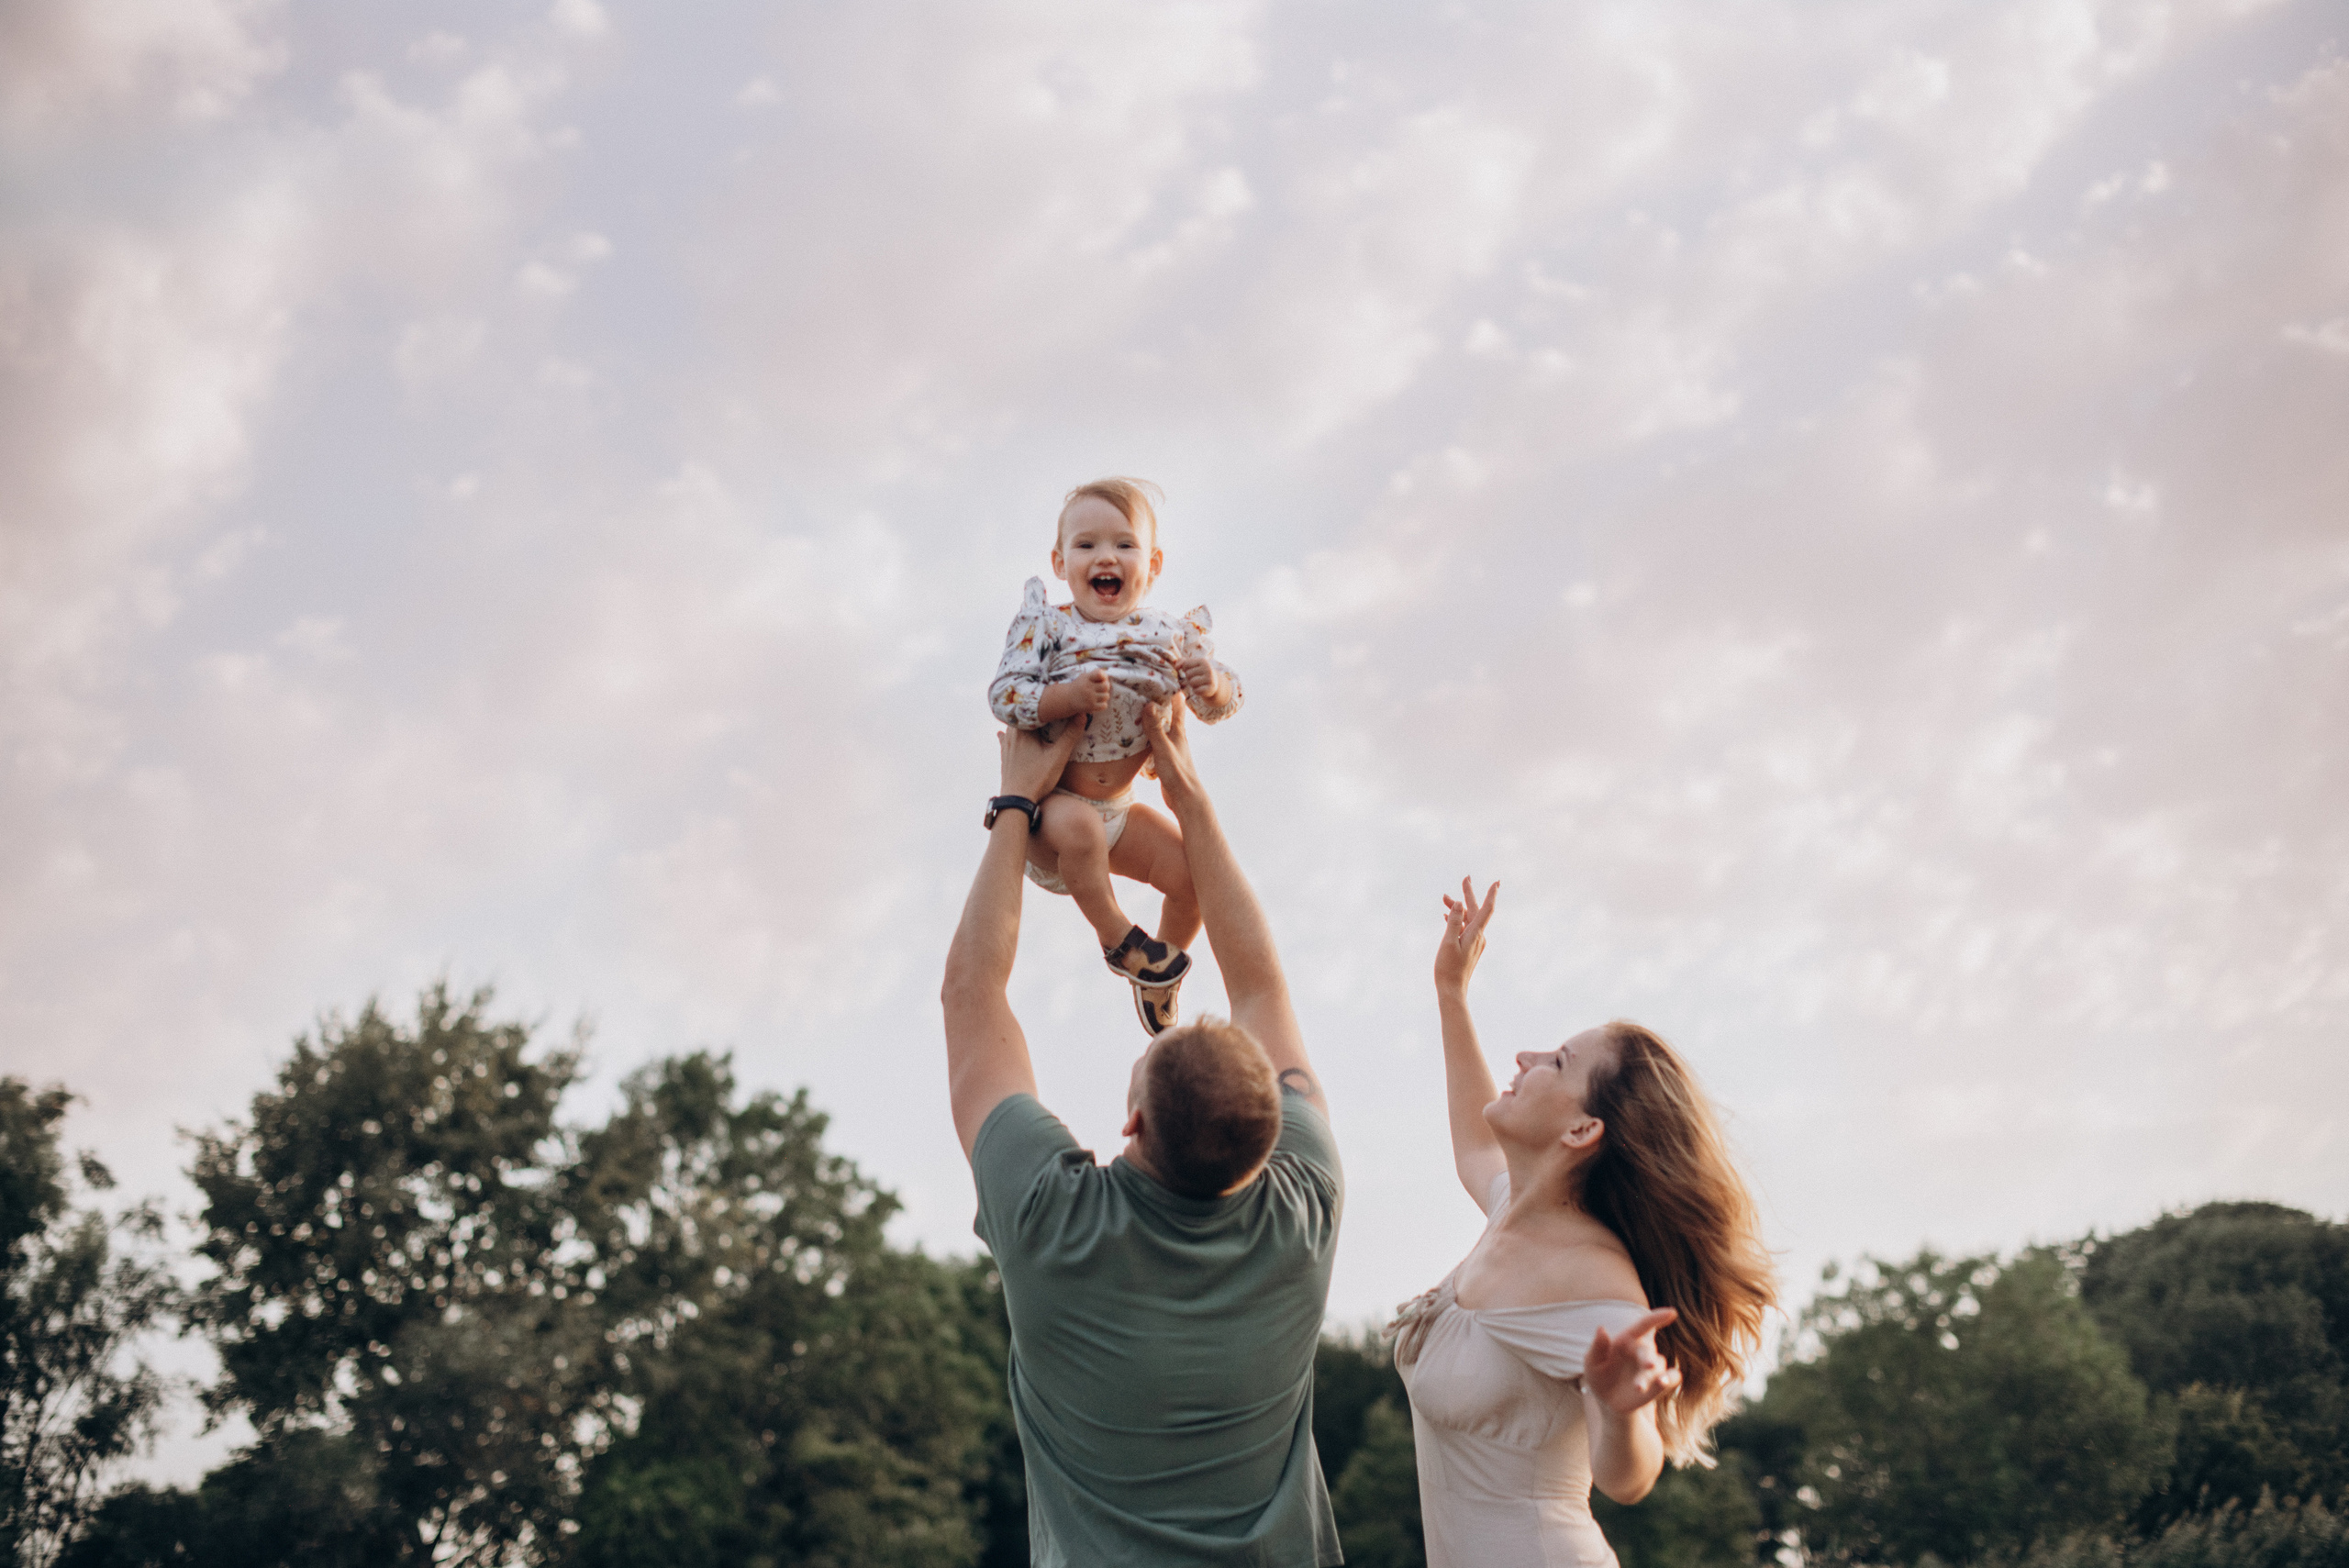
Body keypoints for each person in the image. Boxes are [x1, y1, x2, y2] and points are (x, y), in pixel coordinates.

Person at [942, 700, 1342, 1568]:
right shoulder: (1304, 1206)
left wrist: (1017, 802)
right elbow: (1263, 988)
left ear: (1130, 1122)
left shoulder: (1053, 1220)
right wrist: (1189, 800)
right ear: (1273, 1134)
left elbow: (973, 997)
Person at [1388, 879, 1775, 1568]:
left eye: (1556, 1061)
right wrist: (1451, 990)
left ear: (1583, 1127)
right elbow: (1475, 1146)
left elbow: (1628, 1477)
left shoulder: (1591, 1272)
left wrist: (1623, 1408)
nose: (1524, 1059)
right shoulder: (1515, 1208)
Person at [986, 477, 1244, 1034]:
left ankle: (1159, 970)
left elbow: (1221, 704)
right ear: (1060, 562)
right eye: (1087, 545)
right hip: (1053, 811)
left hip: (1120, 814)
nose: (1106, 556)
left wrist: (1212, 684)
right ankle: (1119, 940)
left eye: (1124, 545)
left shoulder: (1169, 635)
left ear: (1152, 565)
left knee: (1194, 875)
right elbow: (1004, 695)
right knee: (1079, 826)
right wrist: (1064, 698)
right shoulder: (1049, 626)